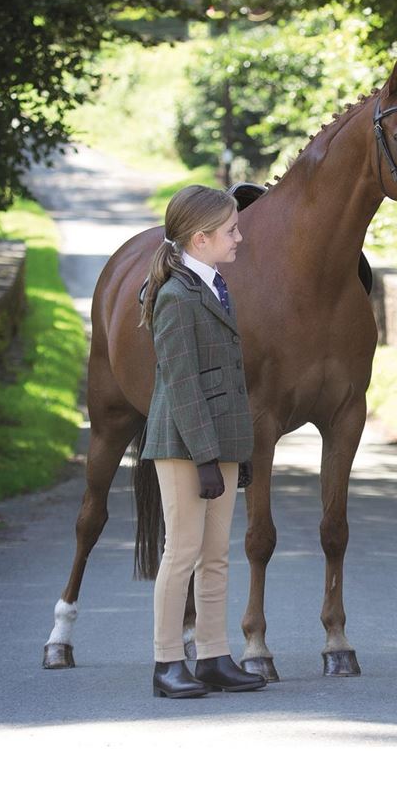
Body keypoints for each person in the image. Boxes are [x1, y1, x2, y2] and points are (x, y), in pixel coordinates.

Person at [138, 184, 266, 699]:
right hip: (183, 443)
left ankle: (213, 654)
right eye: (232, 230)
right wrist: (207, 457)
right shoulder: (174, 295)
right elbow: (182, 381)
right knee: (183, 552)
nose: (239, 237)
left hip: (221, 442)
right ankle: (167, 661)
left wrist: (238, 449)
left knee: (216, 555)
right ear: (201, 238)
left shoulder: (213, 285)